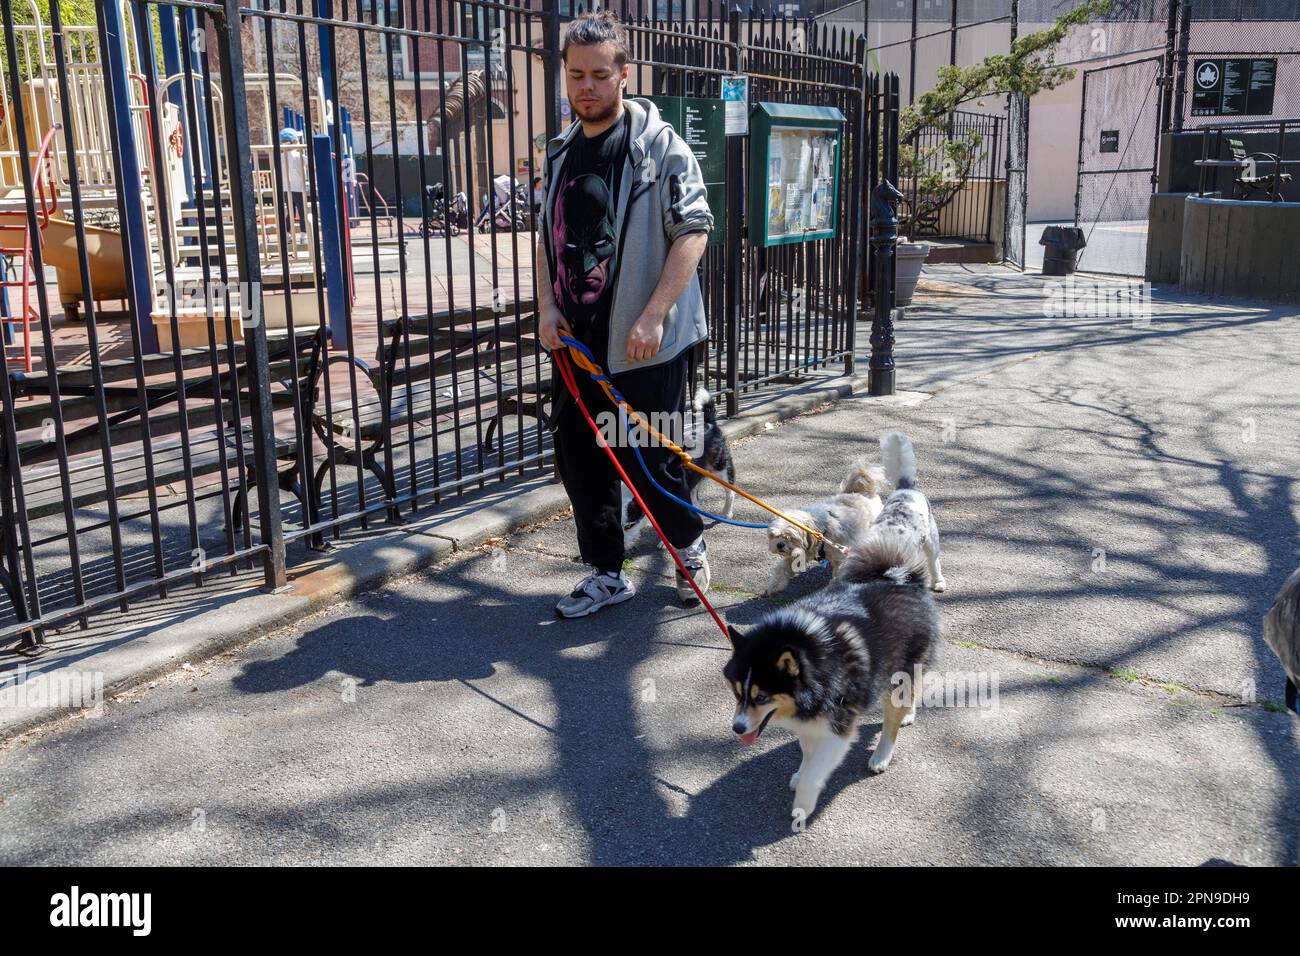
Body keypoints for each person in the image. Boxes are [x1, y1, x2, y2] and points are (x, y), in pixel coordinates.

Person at [536, 10, 713, 619]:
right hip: (576, 342)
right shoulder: (558, 154)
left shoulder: (661, 149)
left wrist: (654, 315)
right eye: (576, 74)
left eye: (600, 74)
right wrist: (547, 305)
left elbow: (693, 231)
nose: (587, 86)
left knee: (647, 459)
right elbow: (548, 238)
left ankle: (689, 549)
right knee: (581, 457)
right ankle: (606, 572)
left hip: (642, 343)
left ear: (623, 75)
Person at [279, 127, 306, 235]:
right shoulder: (298, 155)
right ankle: (303, 233)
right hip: (298, 188)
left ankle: (287, 233)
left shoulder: (280, 156)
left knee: (290, 212)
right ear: (295, 141)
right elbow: (311, 163)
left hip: (286, 188)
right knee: (302, 211)